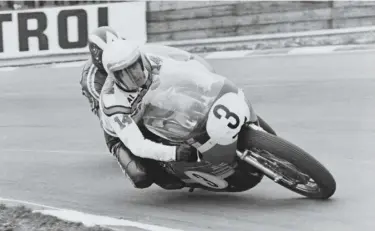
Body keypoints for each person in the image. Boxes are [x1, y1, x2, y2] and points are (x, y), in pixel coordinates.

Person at [80, 27, 208, 189]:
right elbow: (112, 114)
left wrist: (201, 81)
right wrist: (173, 153)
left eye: (134, 66)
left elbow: (176, 68)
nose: (133, 73)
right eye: (124, 71)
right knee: (144, 177)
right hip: (121, 120)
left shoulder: (139, 59)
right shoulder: (100, 89)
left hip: (147, 101)